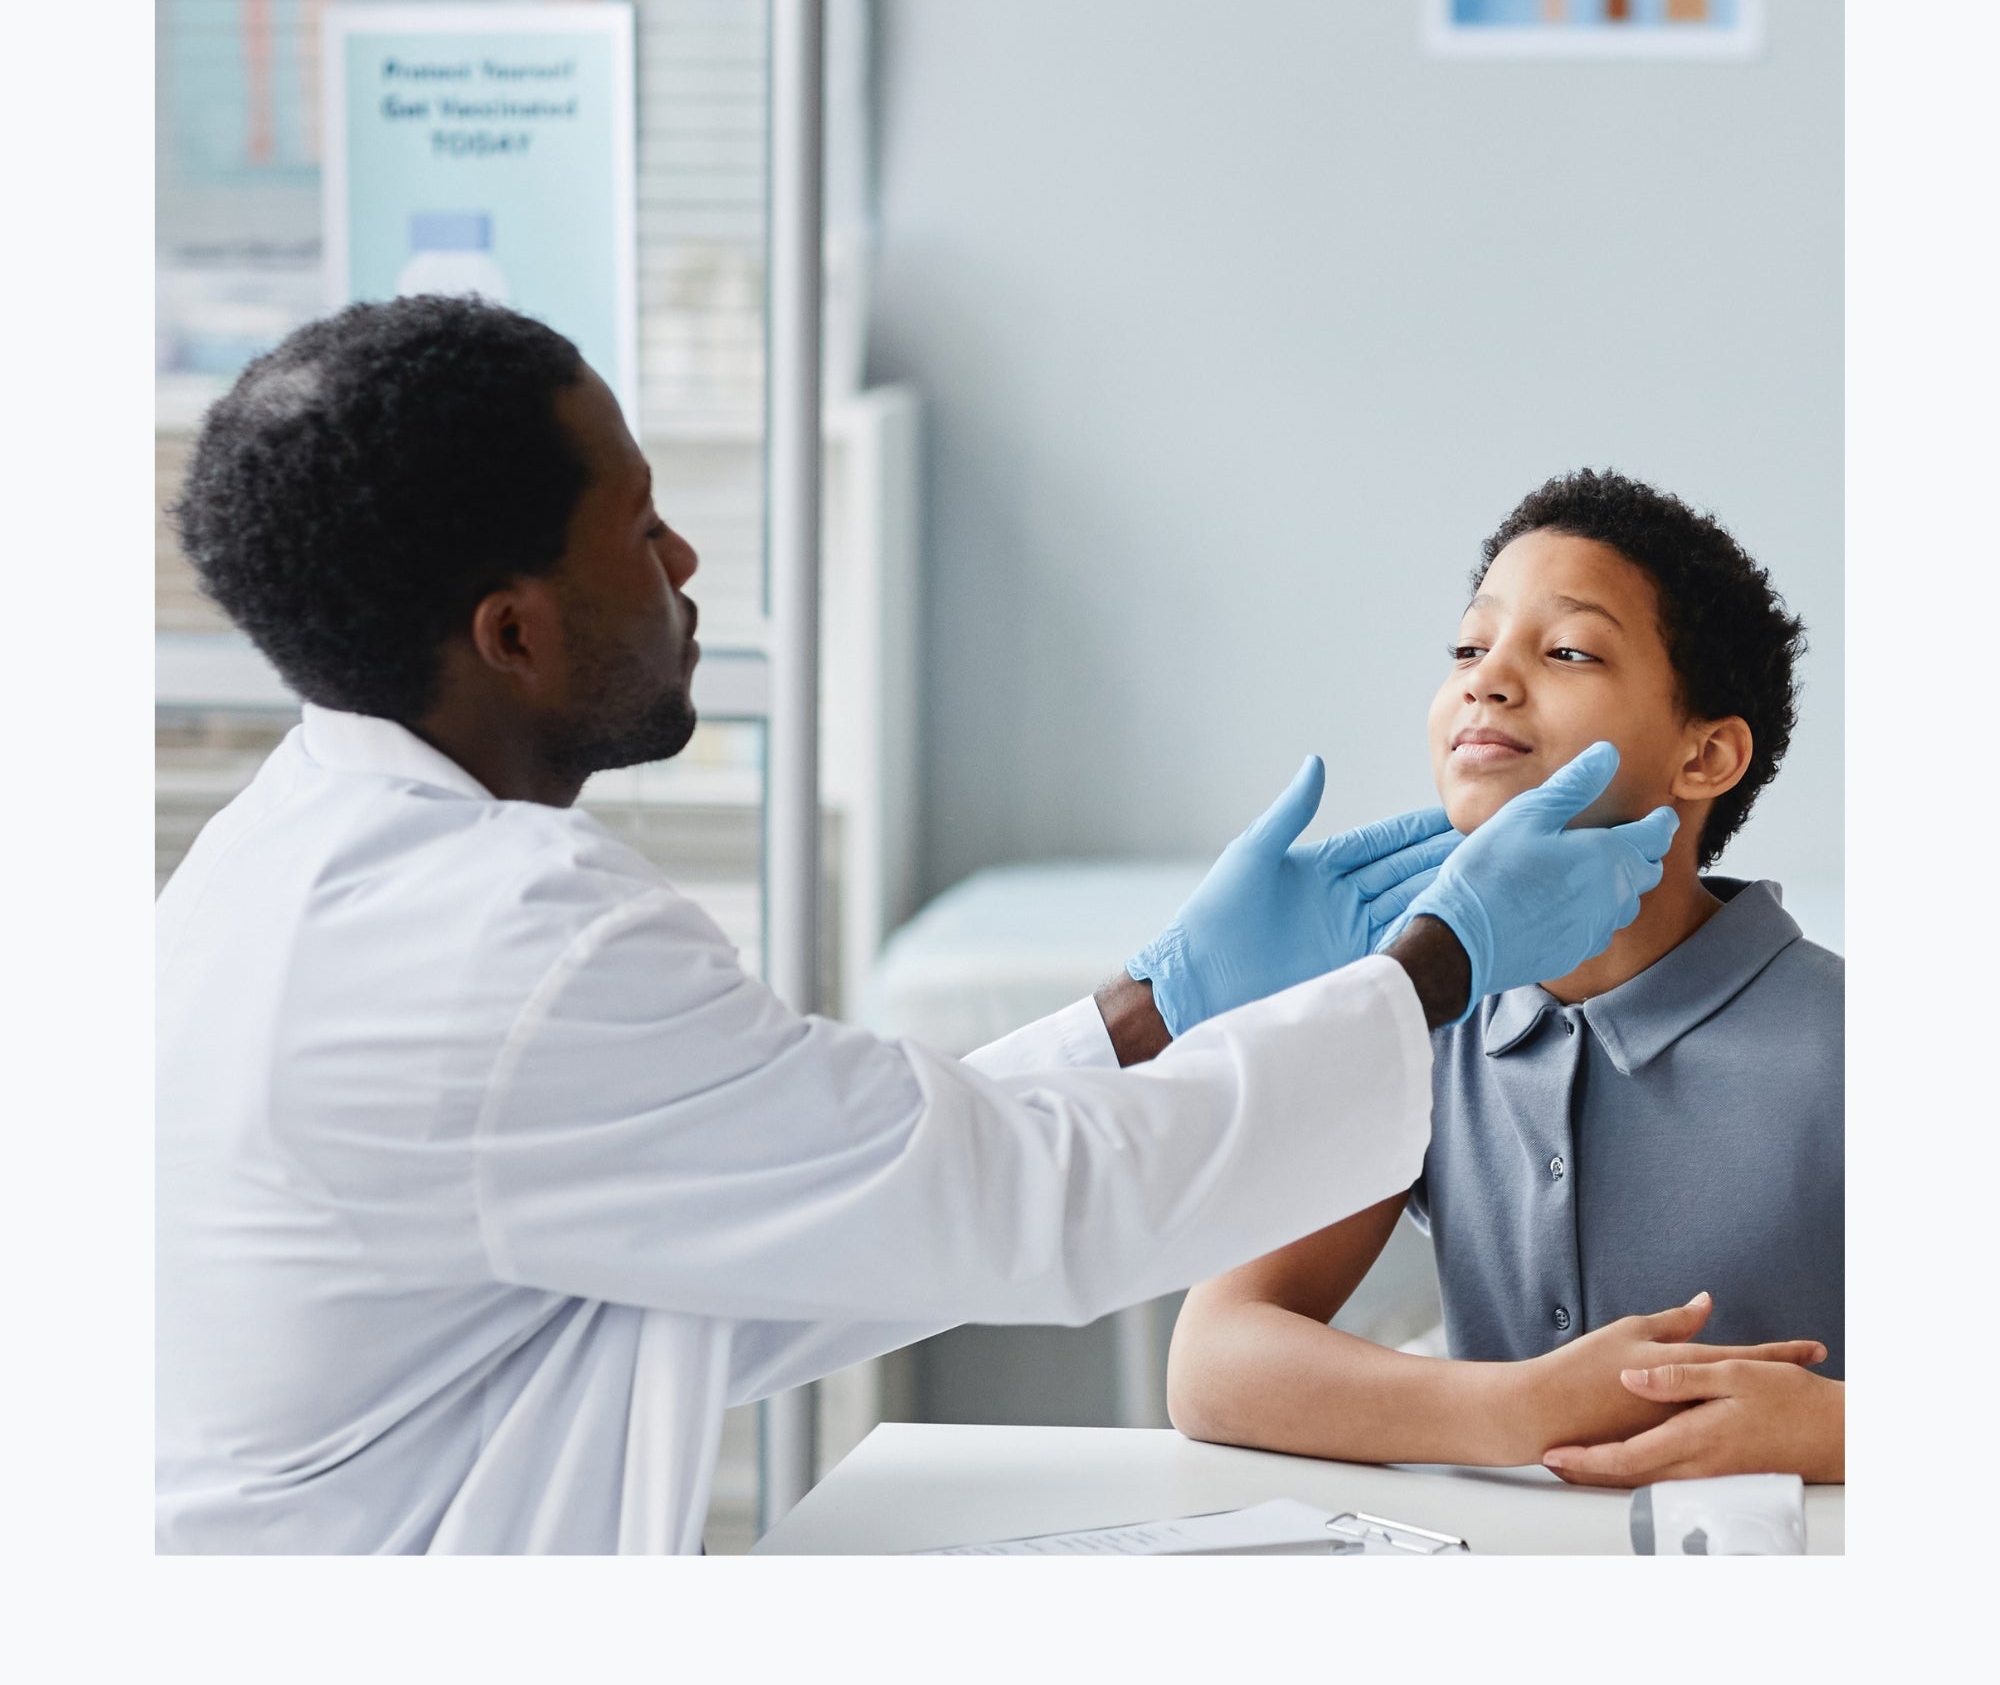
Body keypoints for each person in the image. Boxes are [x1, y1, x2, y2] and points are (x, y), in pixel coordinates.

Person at [155, 300, 1677, 1553]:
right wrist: (1436, 967)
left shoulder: (286, 858)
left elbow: (839, 1205)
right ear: (513, 631)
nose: (684, 562)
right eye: (641, 528)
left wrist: (1158, 1003)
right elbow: (1027, 1208)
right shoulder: (509, 952)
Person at [1166, 468, 1845, 1487]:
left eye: (1567, 650)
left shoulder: (1848, 1042)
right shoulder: (1422, 1022)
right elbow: (1214, 1363)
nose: (1486, 679)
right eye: (1468, 648)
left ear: (1705, 755)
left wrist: (1838, 1431)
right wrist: (1520, 1408)